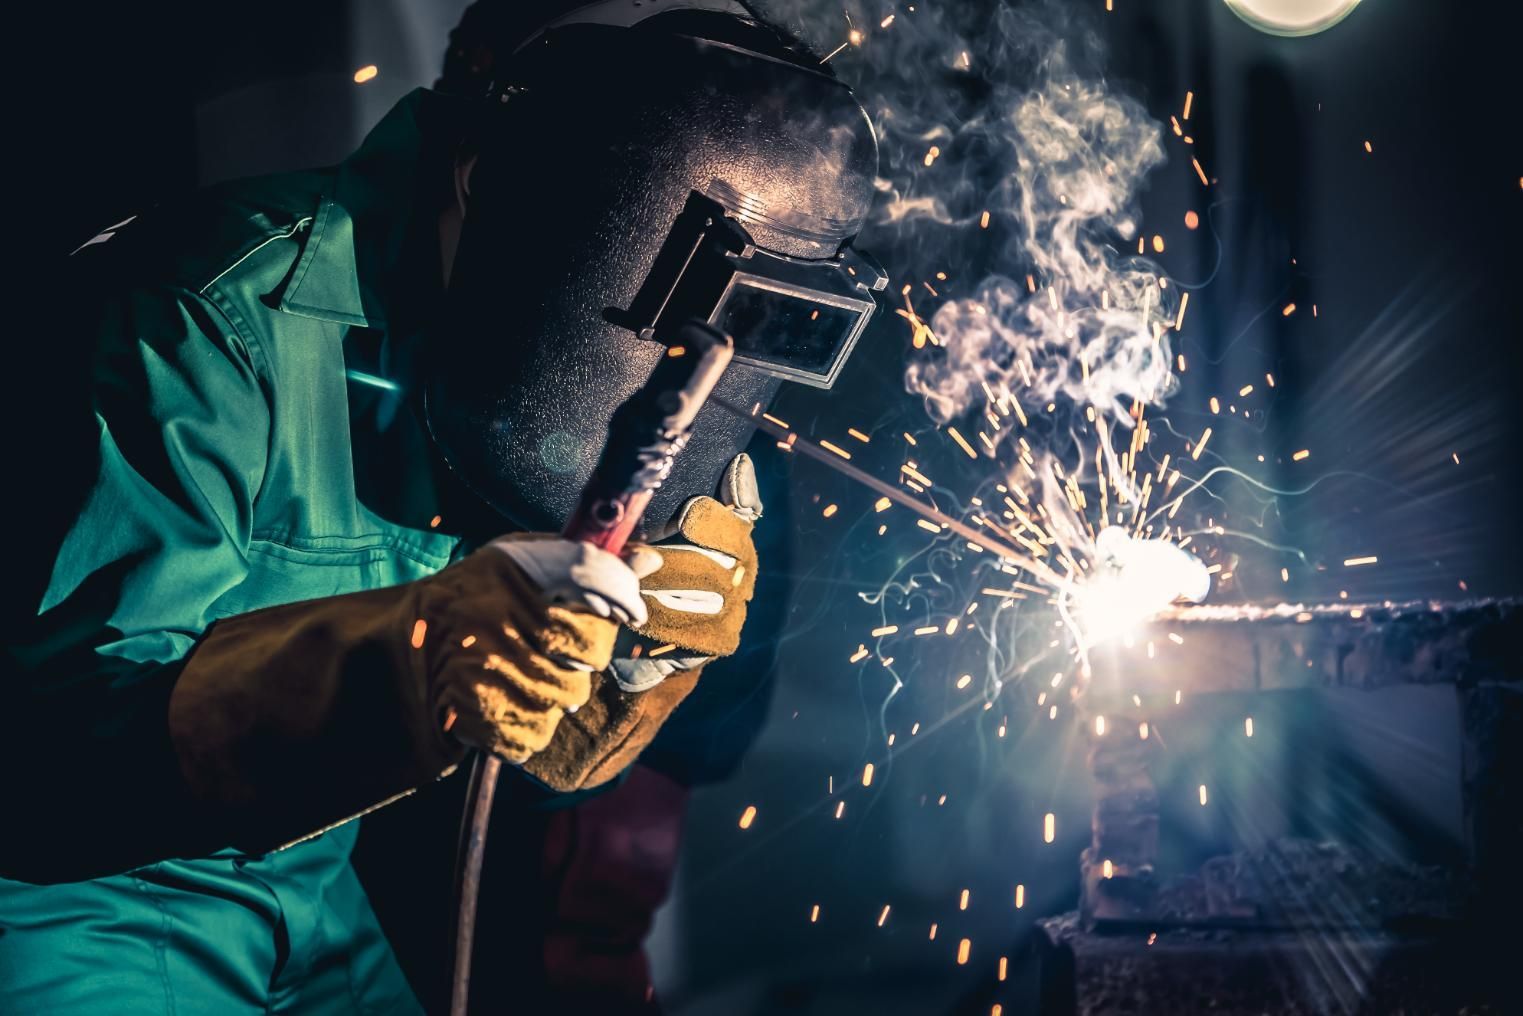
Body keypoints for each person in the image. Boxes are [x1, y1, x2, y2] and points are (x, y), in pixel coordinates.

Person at [0, 1, 882, 1012]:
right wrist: (413, 654)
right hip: (76, 894)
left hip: (309, 882)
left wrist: (630, 660)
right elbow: (60, 752)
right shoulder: (199, 320)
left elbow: (539, 752)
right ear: (491, 182)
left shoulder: (526, 371)